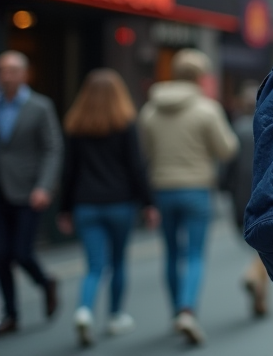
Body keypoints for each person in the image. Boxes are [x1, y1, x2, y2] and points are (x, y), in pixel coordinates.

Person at [139, 49, 239, 345]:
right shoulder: (206, 109)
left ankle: (175, 313)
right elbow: (227, 149)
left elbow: (146, 151)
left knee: (171, 253)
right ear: (200, 77)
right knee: (194, 254)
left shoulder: (150, 110)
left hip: (162, 189)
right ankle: (187, 310)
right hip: (196, 188)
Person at [57, 69, 158, 345]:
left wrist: (63, 209)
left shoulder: (76, 125)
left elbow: (69, 171)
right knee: (118, 262)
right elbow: (136, 167)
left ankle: (84, 311)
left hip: (85, 204)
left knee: (93, 266)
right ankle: (115, 316)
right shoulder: (125, 123)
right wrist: (148, 203)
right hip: (120, 203)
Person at [0, 49, 63, 336]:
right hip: (1, 190)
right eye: (2, 70)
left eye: (11, 70)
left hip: (29, 191)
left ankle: (45, 282)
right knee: (1, 256)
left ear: (24, 74)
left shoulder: (40, 107)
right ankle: (11, 314)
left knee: (21, 252)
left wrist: (44, 186)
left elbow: (52, 149)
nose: (6, 76)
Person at [224, 82, 269, 317]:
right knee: (266, 245)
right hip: (265, 195)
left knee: (259, 244)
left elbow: (226, 170)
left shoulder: (235, 130)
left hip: (240, 199)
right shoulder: (268, 126)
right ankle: (253, 275)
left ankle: (261, 299)